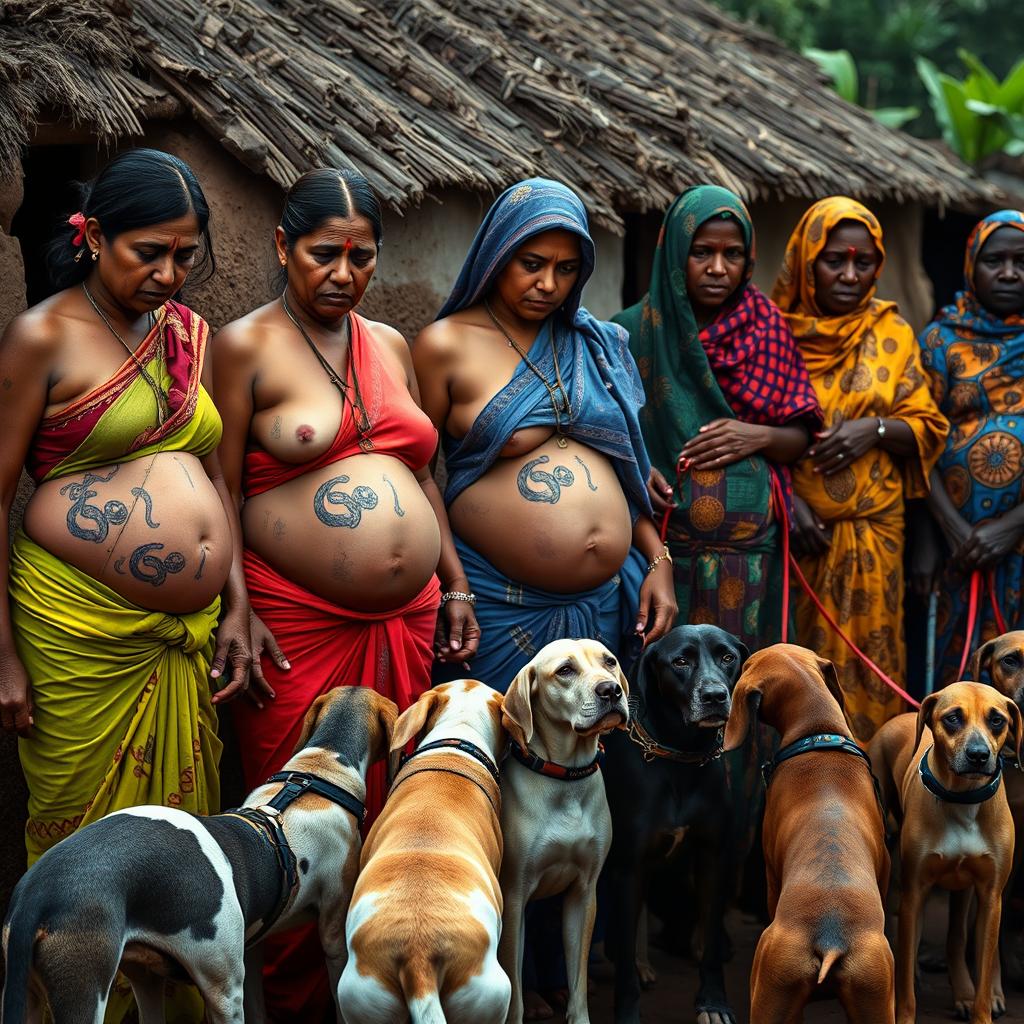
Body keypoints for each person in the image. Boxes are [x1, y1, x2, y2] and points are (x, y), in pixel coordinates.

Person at [0, 148, 250, 1019]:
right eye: (149, 251)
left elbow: (219, 477)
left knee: (178, 848)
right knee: (78, 836)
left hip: (182, 638)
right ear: (94, 235)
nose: (170, 273)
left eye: (186, 254)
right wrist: (3, 658)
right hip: (78, 636)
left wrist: (236, 608)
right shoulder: (44, 337)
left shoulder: (188, 333)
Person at [212, 167, 464, 1021]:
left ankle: (387, 993)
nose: (344, 274)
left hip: (407, 617)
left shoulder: (390, 344)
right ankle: (293, 1003)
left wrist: (454, 583)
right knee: (295, 819)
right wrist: (235, 605)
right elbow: (217, 488)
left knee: (395, 815)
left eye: (362, 257)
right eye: (325, 254)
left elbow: (423, 476)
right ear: (283, 247)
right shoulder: (242, 345)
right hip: (292, 621)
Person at [413, 177, 676, 693]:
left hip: (602, 601)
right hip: (494, 599)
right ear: (496, 256)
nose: (549, 285)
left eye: (566, 268)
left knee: (587, 758)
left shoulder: (593, 342)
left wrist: (657, 559)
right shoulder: (445, 345)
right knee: (491, 748)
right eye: (531, 264)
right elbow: (416, 473)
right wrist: (454, 586)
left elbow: (624, 468)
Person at [615, 185, 821, 651]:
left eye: (732, 254)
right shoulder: (630, 332)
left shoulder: (766, 326)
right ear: (674, 254)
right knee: (667, 671)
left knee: (747, 679)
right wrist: (635, 465)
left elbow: (800, 437)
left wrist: (757, 435)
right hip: (663, 548)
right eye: (701, 252)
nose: (717, 269)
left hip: (751, 559)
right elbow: (606, 431)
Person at [772, 196, 948, 740]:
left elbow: (926, 425)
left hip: (876, 534)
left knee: (873, 668)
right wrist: (787, 501)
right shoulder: (768, 332)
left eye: (864, 261)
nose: (850, 274)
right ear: (805, 261)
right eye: (834, 260)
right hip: (794, 539)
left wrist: (869, 429)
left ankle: (872, 797)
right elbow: (743, 429)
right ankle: (792, 800)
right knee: (792, 674)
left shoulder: (893, 334)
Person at [914, 209, 1024, 684]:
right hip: (957, 547)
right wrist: (948, 532)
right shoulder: (939, 339)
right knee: (959, 676)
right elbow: (921, 439)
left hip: (1019, 541)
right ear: (971, 267)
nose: (1009, 272)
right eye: (994, 260)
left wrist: (1010, 527)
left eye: (1022, 261)